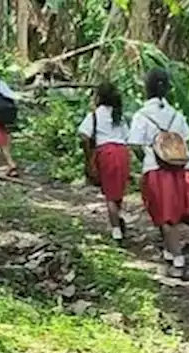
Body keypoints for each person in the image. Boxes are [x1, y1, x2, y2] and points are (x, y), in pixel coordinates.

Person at [128, 68, 189, 279]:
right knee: (176, 211)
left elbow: (136, 143)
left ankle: (178, 260)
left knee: (165, 217)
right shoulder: (176, 114)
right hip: (178, 167)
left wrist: (147, 157)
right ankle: (177, 244)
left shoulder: (141, 115)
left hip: (156, 169)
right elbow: (187, 142)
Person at [78, 83, 132, 243]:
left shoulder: (95, 115)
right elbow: (128, 137)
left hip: (105, 152)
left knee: (109, 193)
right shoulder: (119, 116)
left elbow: (84, 135)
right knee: (118, 190)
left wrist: (88, 157)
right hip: (122, 152)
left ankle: (115, 229)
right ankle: (117, 217)